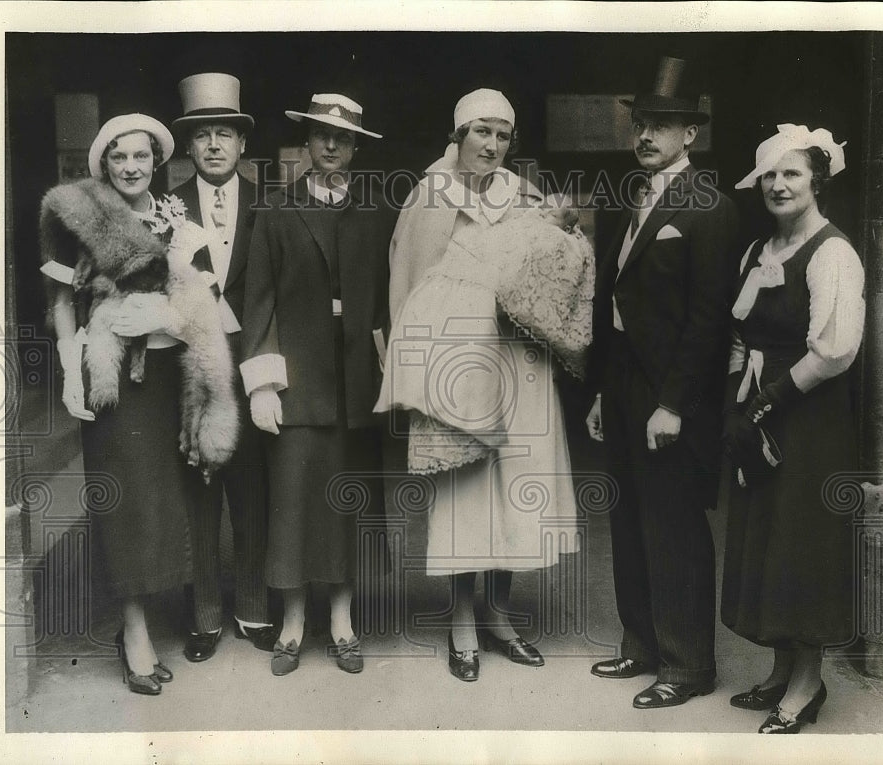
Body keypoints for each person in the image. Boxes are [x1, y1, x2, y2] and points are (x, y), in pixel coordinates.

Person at [376, 88, 586, 682]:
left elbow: (551, 269)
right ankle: (462, 622)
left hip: (519, 362)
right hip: (458, 366)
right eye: (480, 133)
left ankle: (500, 615)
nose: (490, 146)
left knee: (516, 488)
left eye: (500, 135)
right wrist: (418, 364)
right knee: (466, 491)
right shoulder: (430, 195)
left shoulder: (524, 197)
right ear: (459, 135)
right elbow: (407, 283)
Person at [39, 113, 238, 695]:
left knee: (165, 504)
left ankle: (157, 616)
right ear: (103, 164)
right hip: (112, 382)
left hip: (169, 381)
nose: (131, 167)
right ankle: (134, 636)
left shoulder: (179, 222)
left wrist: (169, 317)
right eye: (119, 158)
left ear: (157, 163)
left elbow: (211, 307)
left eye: (142, 158)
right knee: (123, 504)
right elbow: (60, 303)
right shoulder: (81, 219)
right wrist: (70, 374)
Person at [585, 57, 739, 708]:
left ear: (690, 137)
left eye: (662, 125)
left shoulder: (710, 206)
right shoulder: (630, 199)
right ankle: (640, 644)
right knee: (627, 517)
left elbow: (708, 322)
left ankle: (687, 664)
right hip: (621, 384)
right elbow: (611, 300)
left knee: (672, 523)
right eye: (641, 123)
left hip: (669, 395)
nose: (646, 135)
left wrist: (673, 403)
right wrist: (598, 391)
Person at [240, 93, 394, 676]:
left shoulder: (376, 213)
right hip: (297, 384)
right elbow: (259, 303)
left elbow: (388, 300)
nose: (331, 146)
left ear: (355, 148)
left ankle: (343, 622)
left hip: (356, 385)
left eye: (343, 138)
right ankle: (293, 622)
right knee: (294, 508)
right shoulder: (276, 211)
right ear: (306, 141)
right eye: (321, 135)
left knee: (347, 505)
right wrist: (262, 385)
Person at [721, 124, 864, 733]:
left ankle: (807, 684)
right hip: (761, 410)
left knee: (803, 543)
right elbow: (742, 331)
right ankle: (782, 670)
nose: (779, 186)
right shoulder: (759, 250)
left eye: (793, 174)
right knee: (769, 538)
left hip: (809, 417)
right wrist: (738, 402)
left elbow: (834, 350)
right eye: (770, 176)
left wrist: (767, 402)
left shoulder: (832, 253)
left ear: (817, 181)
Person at [169, 72, 275, 662]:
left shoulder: (269, 201)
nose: (214, 145)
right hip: (191, 367)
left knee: (252, 488)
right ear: (189, 146)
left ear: (242, 145)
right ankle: (205, 614)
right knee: (198, 486)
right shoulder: (166, 207)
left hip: (253, 362)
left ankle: (253, 607)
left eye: (225, 134)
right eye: (203, 135)